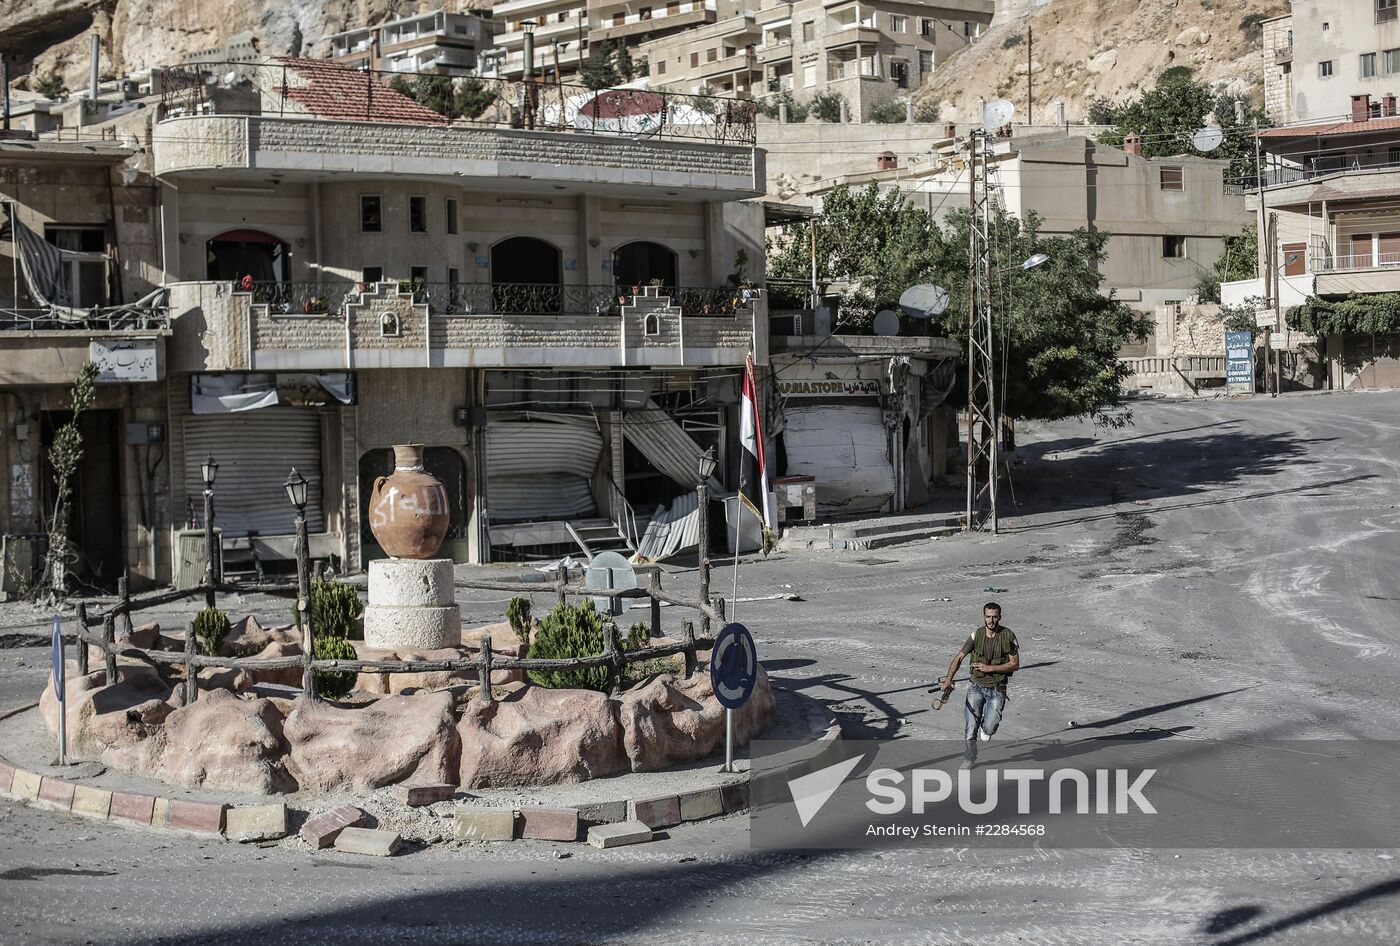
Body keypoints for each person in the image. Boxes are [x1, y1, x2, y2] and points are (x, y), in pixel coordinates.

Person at [938, 602, 1020, 769]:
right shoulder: (976, 636)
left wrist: (991, 668)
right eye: (988, 616)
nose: (991, 620)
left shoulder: (1008, 636)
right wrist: (948, 679)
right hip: (976, 686)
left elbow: (1014, 664)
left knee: (989, 728)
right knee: (970, 727)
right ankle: (969, 758)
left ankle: (987, 728)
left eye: (995, 617)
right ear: (984, 616)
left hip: (997, 688)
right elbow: (959, 657)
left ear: (1000, 617)